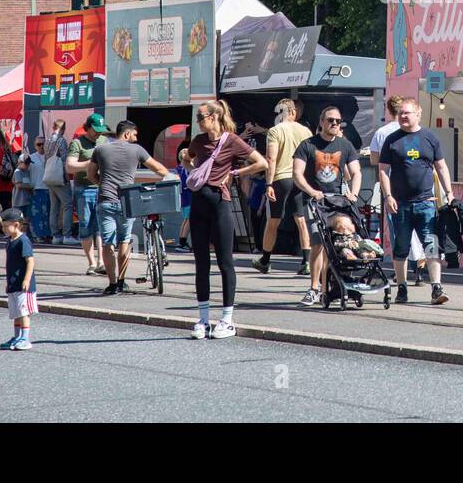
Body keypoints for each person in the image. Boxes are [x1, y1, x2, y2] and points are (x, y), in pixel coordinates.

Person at [187, 100, 267, 339]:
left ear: (214, 117)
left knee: (225, 263)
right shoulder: (199, 141)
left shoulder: (231, 140)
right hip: (198, 204)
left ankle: (226, 319)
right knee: (201, 263)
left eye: (201, 117)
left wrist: (235, 173)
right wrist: (189, 165)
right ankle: (202, 320)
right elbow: (189, 159)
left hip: (220, 204)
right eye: (198, 117)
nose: (198, 121)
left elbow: (261, 163)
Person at [378, 99, 456, 306]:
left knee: (432, 246)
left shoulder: (429, 138)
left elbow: (442, 167)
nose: (403, 116)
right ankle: (402, 288)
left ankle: (436, 288)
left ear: (418, 113)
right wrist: (388, 196)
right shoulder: (392, 140)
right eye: (401, 113)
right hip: (400, 204)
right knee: (401, 248)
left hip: (426, 203)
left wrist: (449, 192)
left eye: (408, 113)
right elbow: (383, 170)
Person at [87, 119, 172, 295]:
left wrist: (102, 183)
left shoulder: (100, 149)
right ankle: (121, 281)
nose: (135, 138)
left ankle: (111, 284)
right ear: (126, 134)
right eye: (134, 134)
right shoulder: (137, 150)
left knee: (107, 243)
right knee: (124, 240)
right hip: (127, 202)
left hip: (105, 200)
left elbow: (90, 175)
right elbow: (161, 170)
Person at [293, 106, 362, 307]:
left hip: (338, 201)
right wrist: (311, 191)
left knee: (347, 236)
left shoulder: (345, 145)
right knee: (318, 244)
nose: (334, 124)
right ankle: (314, 288)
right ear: (321, 122)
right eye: (330, 120)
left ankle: (341, 282)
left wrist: (354, 194)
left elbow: (356, 172)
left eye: (337, 121)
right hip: (314, 202)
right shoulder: (307, 145)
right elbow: (297, 173)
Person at [252, 98, 313, 276]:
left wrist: (268, 183)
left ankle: (265, 260)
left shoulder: (275, 131)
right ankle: (306, 261)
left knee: (273, 221)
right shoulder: (306, 131)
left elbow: (271, 159)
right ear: (293, 112)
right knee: (301, 220)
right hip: (300, 179)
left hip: (281, 179)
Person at [66, 115, 108, 276]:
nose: (98, 134)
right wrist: (91, 164)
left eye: (100, 131)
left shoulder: (104, 141)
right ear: (88, 128)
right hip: (84, 189)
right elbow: (70, 166)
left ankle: (101, 262)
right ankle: (91, 262)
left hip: (101, 187)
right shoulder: (77, 143)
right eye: (95, 130)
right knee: (86, 225)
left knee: (101, 226)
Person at [0, 207, 38, 351]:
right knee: (15, 313)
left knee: (23, 312)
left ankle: (25, 338)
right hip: (13, 284)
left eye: (5, 226)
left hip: (23, 285)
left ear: (16, 225)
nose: (3, 229)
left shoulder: (23, 241)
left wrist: (27, 280)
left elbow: (30, 261)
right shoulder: (10, 241)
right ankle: (16, 337)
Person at [43, 120, 75, 245]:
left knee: (54, 207)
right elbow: (64, 161)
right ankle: (67, 235)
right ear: (64, 128)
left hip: (49, 176)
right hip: (59, 177)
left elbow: (46, 158)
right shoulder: (61, 141)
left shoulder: (47, 141)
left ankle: (55, 235)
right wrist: (67, 178)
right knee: (67, 205)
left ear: (53, 127)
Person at [28, 137, 51, 244]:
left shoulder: (51, 157)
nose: (41, 146)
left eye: (43, 144)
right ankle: (38, 235)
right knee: (36, 214)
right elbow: (23, 172)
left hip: (49, 189)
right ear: (35, 145)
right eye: (38, 144)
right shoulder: (30, 157)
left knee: (47, 214)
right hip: (36, 189)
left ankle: (48, 235)